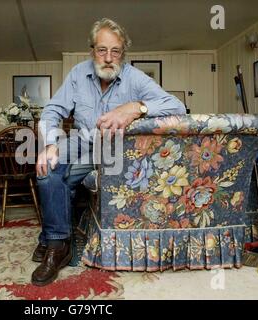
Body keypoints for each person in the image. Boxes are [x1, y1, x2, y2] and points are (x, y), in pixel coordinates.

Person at [31, 18, 186, 287]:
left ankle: (51, 242)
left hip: (115, 147)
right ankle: (59, 245)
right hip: (80, 140)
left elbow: (177, 106)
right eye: (102, 50)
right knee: (48, 169)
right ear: (92, 51)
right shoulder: (78, 74)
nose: (108, 57)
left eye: (115, 51)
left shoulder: (135, 78)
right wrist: (50, 143)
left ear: (123, 53)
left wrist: (137, 107)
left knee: (62, 182)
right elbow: (52, 110)